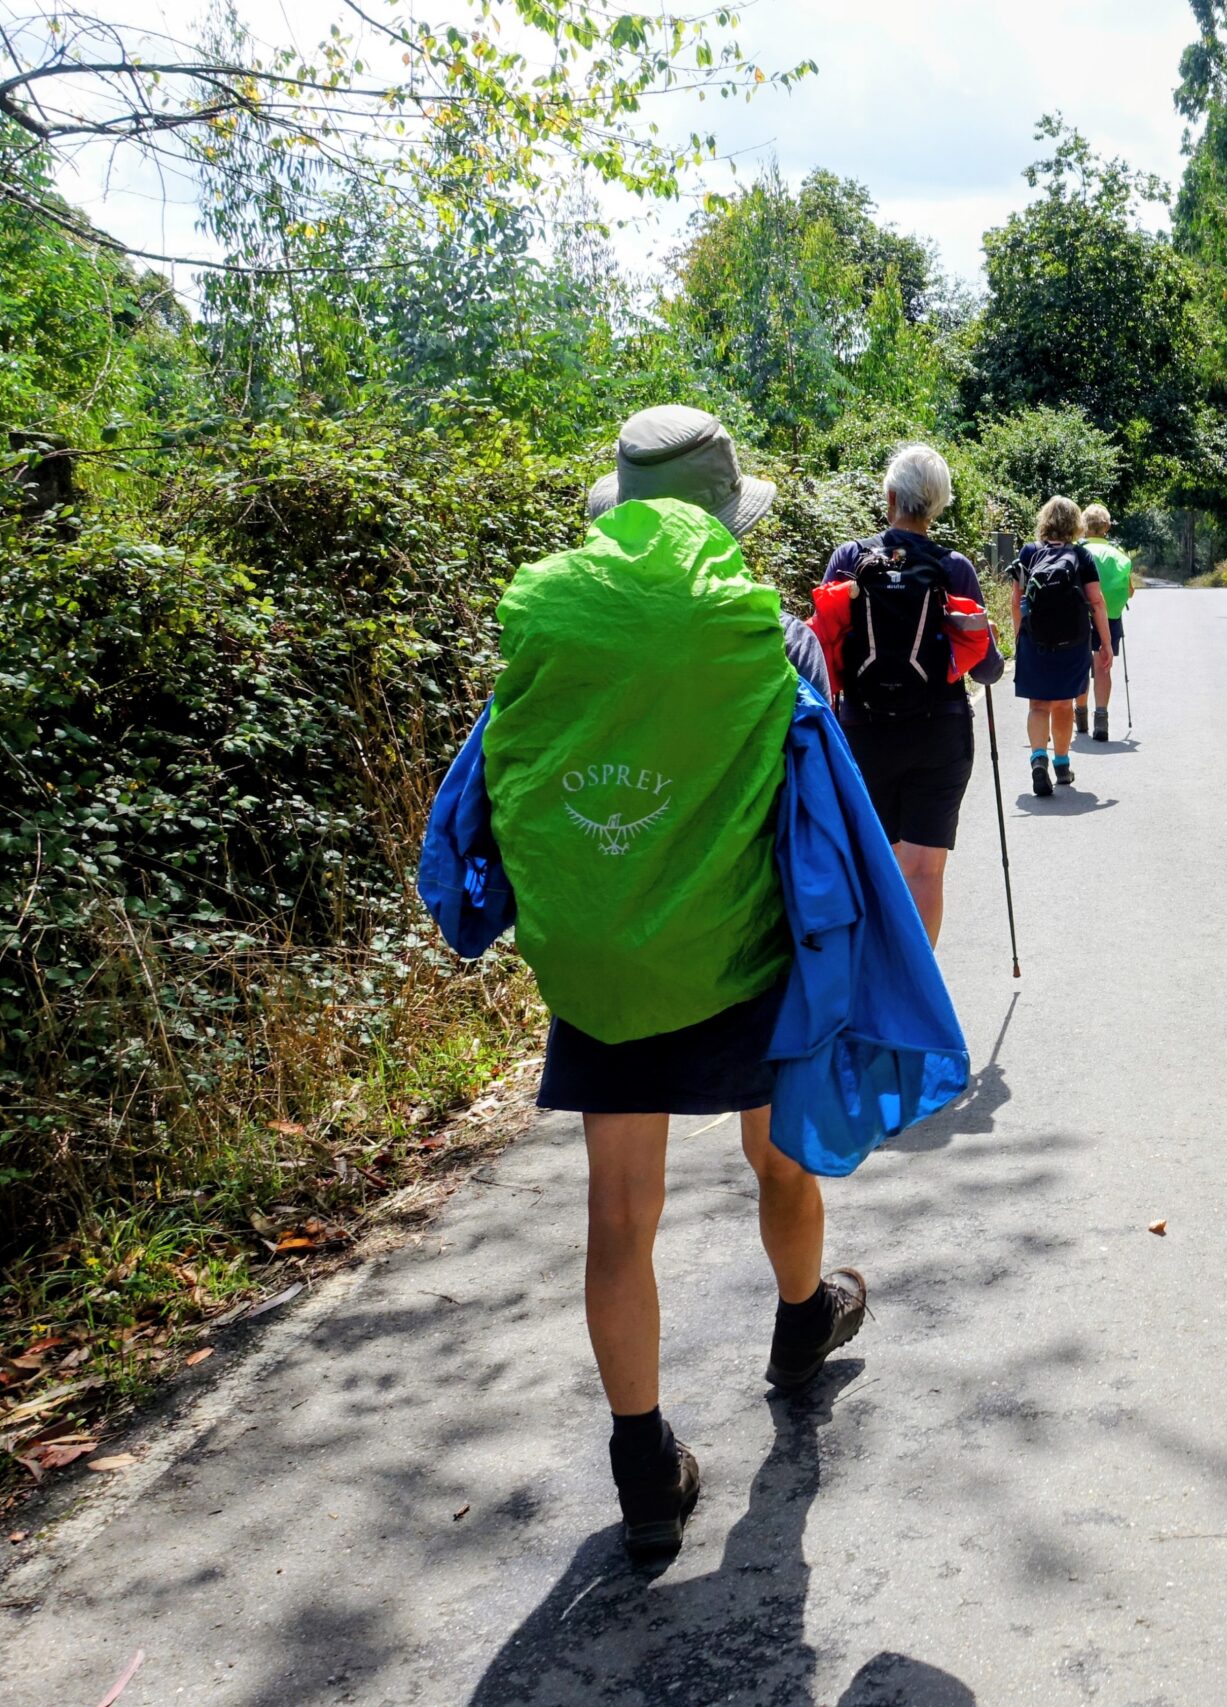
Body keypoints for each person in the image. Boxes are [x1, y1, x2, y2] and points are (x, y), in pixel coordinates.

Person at [480, 405, 870, 1562]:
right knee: (778, 1156)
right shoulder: (772, 637)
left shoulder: (553, 629)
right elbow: (815, 803)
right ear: (728, 522)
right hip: (742, 948)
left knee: (618, 1212)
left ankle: (643, 1470)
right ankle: (801, 1324)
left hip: (603, 956)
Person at [811, 444, 1004, 945]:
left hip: (863, 732)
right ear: (937, 504)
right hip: (939, 733)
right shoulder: (954, 567)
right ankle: (918, 984)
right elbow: (987, 669)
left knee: (873, 866)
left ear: (891, 497)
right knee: (924, 872)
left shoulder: (850, 559)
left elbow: (818, 651)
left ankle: (875, 978)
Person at [1008, 495, 1113, 797]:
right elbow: (1097, 602)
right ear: (1075, 523)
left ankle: (1038, 757)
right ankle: (1062, 765)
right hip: (1073, 642)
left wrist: (1019, 637)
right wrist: (1105, 643)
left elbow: (1016, 601)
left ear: (1045, 520)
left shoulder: (1029, 552)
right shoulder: (1081, 556)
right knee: (1064, 703)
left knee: (1038, 704)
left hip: (1035, 640)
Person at [1073, 503, 1137, 742]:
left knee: (1080, 665)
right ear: (1107, 527)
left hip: (1079, 615)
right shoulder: (1118, 554)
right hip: (1110, 617)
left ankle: (1080, 716)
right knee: (1103, 666)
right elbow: (1130, 591)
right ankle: (1101, 719)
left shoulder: (1076, 551)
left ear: (1083, 526)